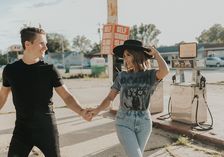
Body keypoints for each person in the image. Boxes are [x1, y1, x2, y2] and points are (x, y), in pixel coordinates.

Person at [0, 26, 92, 157]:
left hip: (47, 130)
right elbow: (3, 95)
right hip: (22, 130)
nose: (46, 47)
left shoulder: (49, 70)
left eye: (46, 43)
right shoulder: (10, 70)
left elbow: (66, 96)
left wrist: (81, 111)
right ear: (27, 44)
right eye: (41, 43)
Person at [89, 39, 169, 157]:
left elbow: (165, 71)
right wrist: (97, 110)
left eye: (128, 55)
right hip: (124, 122)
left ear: (137, 56)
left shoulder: (150, 75)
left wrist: (156, 54)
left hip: (144, 123)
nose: (124, 58)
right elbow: (110, 97)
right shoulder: (122, 76)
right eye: (124, 56)